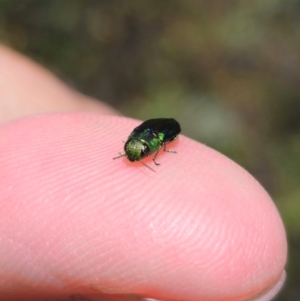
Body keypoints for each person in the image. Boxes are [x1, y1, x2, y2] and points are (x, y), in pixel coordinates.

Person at [0, 45, 287, 301]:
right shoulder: (136, 142)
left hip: (163, 130)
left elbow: (162, 134)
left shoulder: (153, 141)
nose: (134, 155)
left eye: (138, 153)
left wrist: (158, 147)